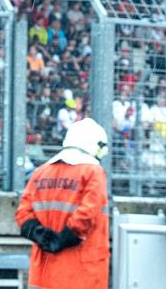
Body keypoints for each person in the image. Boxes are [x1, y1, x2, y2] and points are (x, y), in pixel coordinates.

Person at [14, 118, 110, 289]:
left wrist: (42, 236)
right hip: (81, 273)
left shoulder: (41, 172)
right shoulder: (93, 172)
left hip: (42, 275)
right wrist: (63, 239)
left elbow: (23, 215)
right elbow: (87, 215)